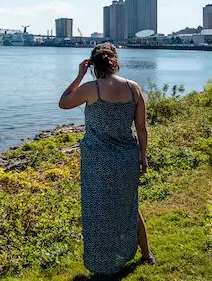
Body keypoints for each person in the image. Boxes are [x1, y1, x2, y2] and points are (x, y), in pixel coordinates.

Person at [58, 43, 154, 275]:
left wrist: (79, 75)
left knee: (98, 210)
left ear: (93, 65)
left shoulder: (92, 88)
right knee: (130, 205)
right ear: (115, 62)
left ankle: (102, 264)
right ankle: (146, 254)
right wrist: (142, 157)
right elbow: (141, 128)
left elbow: (63, 102)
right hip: (127, 158)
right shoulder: (134, 89)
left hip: (97, 161)